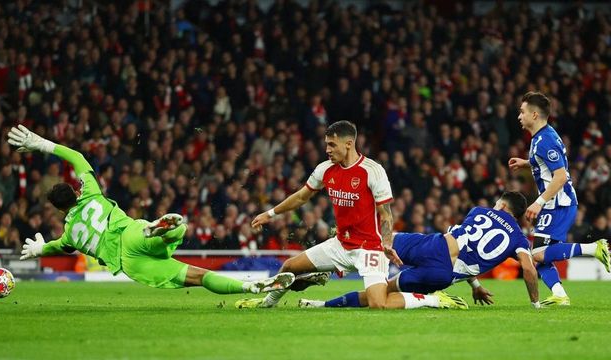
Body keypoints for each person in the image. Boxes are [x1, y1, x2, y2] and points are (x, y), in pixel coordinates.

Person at [8, 125, 295, 295]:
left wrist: (40, 249)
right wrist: (41, 144)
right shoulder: (91, 194)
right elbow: (77, 157)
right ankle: (161, 228)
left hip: (128, 262)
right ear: (75, 191)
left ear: (58, 209)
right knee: (179, 228)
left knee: (196, 276)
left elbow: (60, 246)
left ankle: (248, 288)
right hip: (131, 232)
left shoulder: (71, 234)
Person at [235, 120, 401, 309]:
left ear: (349, 144)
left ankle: (429, 299)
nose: (327, 150)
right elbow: (300, 197)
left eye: (332, 144)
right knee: (289, 266)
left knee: (378, 304)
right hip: (339, 245)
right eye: (326, 145)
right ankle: (267, 303)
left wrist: (386, 242)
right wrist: (270, 213)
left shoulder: (373, 171)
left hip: (369, 248)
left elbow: (386, 214)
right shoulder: (325, 169)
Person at [299, 191, 545, 310]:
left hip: (433, 245)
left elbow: (464, 244)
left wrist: (477, 286)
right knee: (382, 294)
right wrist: (535, 303)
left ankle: (336, 262)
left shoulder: (479, 211)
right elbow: (528, 269)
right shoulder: (519, 241)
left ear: (501, 204)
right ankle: (320, 305)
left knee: (377, 242)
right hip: (442, 274)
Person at [509, 92, 610, 306]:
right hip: (556, 203)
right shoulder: (543, 136)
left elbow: (561, 176)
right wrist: (528, 163)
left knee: (537, 254)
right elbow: (548, 164)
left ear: (534, 114)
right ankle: (559, 294)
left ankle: (595, 248)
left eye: (522, 112)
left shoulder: (544, 140)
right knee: (541, 254)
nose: (519, 116)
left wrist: (539, 202)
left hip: (558, 204)